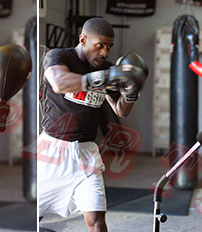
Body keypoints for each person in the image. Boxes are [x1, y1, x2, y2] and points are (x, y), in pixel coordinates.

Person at [38, 17, 148, 232]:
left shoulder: (106, 68)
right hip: (52, 150)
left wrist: (132, 92)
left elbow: (120, 110)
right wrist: (103, 78)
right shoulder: (58, 57)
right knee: (34, 217)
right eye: (100, 45)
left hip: (87, 154)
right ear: (83, 39)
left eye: (109, 47)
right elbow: (60, 83)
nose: (105, 53)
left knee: (97, 221)